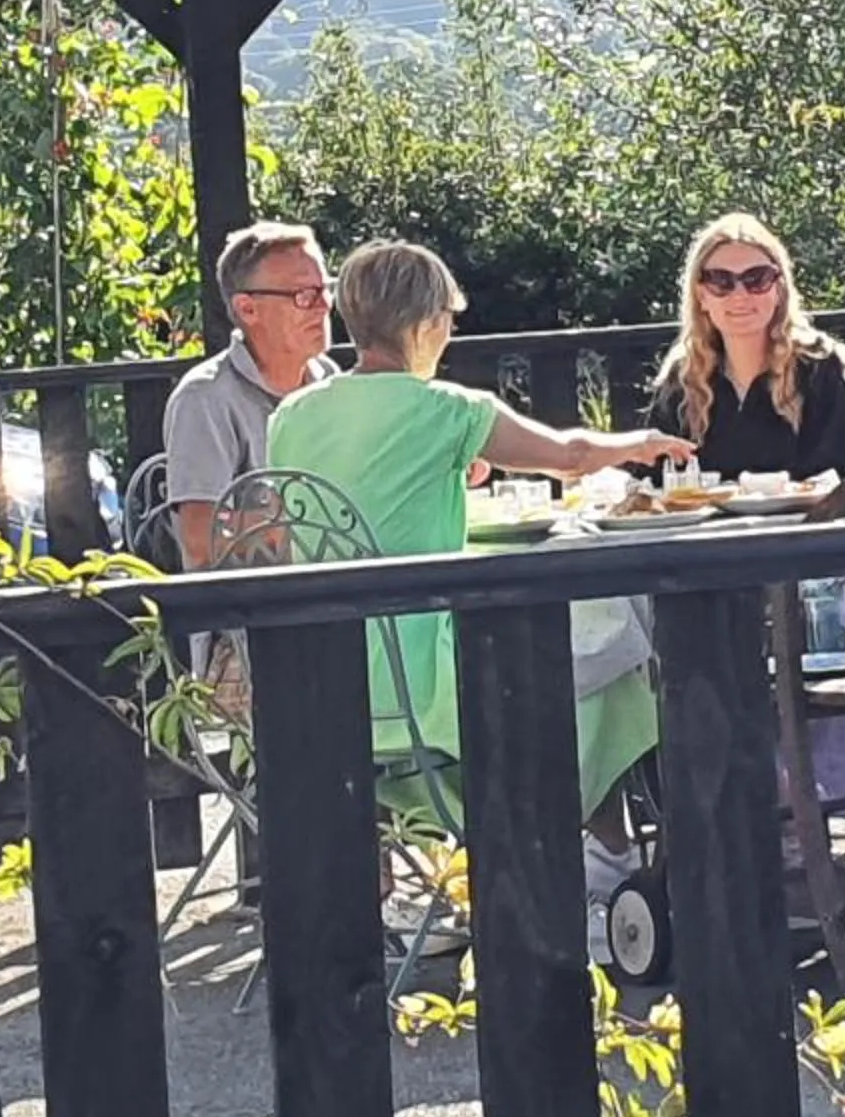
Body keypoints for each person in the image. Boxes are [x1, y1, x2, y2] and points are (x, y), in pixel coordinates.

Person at [265, 240, 694, 894]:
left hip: (322, 681)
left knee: (578, 646)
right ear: (426, 323)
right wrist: (640, 443)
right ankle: (599, 860)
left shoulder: (292, 413)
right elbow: (570, 455)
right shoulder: (447, 409)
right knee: (608, 656)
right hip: (425, 685)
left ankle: (553, 864)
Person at [162, 222, 338, 567]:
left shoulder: (328, 379)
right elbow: (198, 542)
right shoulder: (205, 398)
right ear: (247, 310)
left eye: (326, 289)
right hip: (248, 612)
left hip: (333, 601)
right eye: (304, 295)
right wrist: (300, 516)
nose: (323, 307)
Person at [648, 212, 845, 482]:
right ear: (701, 296)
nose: (740, 295)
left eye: (756, 279)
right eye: (720, 281)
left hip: (798, 522)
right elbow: (654, 481)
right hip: (704, 524)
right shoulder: (683, 375)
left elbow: (835, 477)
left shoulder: (818, 366)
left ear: (779, 290)